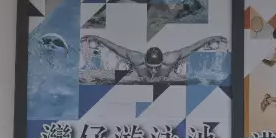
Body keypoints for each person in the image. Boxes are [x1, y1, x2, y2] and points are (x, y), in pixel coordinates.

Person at [79, 34, 228, 83]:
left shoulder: (171, 58)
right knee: (95, 75)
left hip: (169, 77)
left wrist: (210, 39)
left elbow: (193, 47)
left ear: (163, 62)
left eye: (157, 67)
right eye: (150, 66)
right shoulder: (136, 58)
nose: (153, 70)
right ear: (144, 61)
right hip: (136, 77)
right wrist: (97, 38)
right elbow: (114, 47)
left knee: (199, 79)